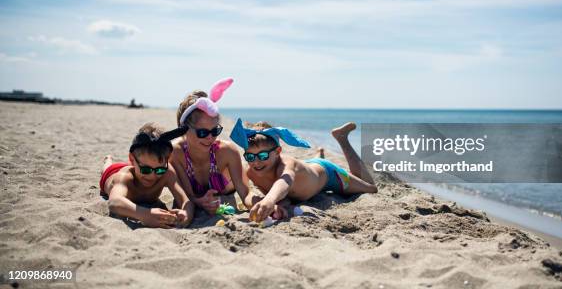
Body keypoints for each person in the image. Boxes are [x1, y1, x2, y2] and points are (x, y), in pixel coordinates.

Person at [230, 119, 377, 222]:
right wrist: (267, 204)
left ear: (278, 151)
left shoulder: (287, 164)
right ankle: (318, 154)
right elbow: (249, 195)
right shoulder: (251, 172)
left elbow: (284, 182)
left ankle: (342, 139)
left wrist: (269, 199)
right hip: (307, 171)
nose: (256, 162)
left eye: (263, 155)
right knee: (306, 170)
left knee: (370, 188)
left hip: (329, 174)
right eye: (250, 156)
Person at [170, 78, 257, 214]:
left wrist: (260, 205)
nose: (210, 137)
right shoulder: (176, 153)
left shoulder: (227, 151)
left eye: (215, 130)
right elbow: (187, 197)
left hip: (230, 189)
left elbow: (245, 193)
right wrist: (199, 202)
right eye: (202, 132)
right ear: (184, 129)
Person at [99, 123, 194, 228]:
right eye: (146, 170)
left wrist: (186, 214)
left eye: (159, 170)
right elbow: (114, 202)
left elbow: (186, 200)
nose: (152, 176)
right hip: (112, 172)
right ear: (132, 159)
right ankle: (108, 160)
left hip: (135, 166)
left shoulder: (167, 172)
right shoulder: (124, 177)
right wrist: (146, 215)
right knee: (106, 169)